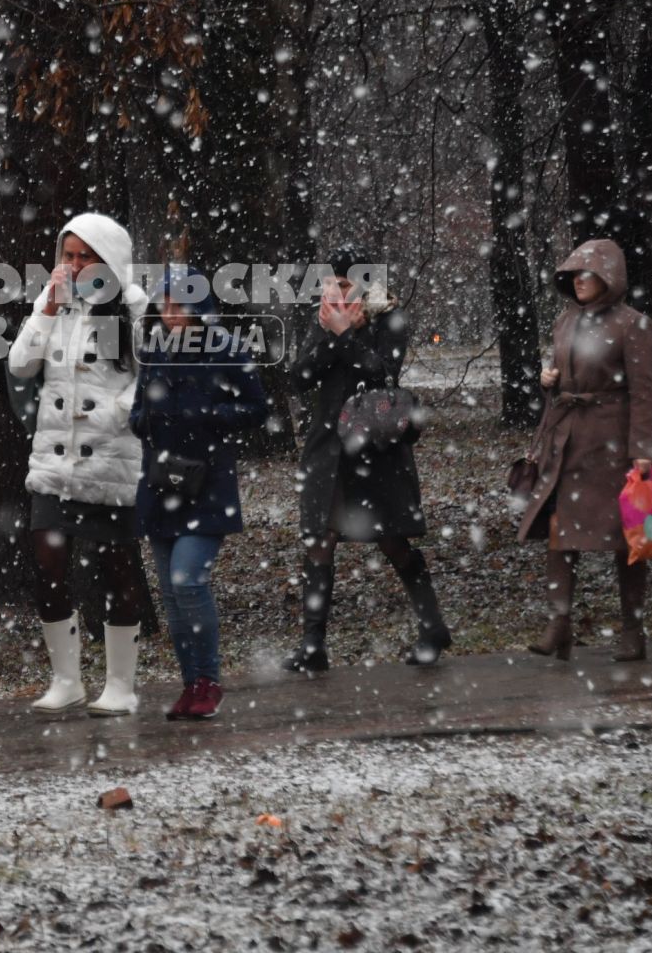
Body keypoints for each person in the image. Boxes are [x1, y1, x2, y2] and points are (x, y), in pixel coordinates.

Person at [286, 247, 454, 672]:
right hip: (327, 449)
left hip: (375, 449)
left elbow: (381, 375)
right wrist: (332, 334)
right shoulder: (321, 319)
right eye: (329, 284)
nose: (334, 292)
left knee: (392, 540)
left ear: (363, 285)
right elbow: (300, 377)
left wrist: (346, 335)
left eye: (343, 284)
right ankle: (312, 644)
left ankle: (432, 627)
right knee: (319, 539)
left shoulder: (387, 318)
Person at [8, 213, 149, 717]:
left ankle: (120, 685)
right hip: (53, 461)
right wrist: (46, 308)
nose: (72, 265)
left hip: (110, 459)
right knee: (46, 562)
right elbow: (20, 365)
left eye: (82, 256)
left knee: (117, 567)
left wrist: (113, 417)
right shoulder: (54, 305)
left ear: (107, 260)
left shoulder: (135, 309)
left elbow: (149, 378)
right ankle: (66, 679)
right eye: (67, 255)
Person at [130, 264, 269, 720]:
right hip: (162, 481)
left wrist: (205, 413)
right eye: (164, 303)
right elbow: (137, 411)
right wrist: (147, 419)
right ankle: (191, 683)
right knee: (171, 595)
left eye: (178, 302)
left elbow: (255, 407)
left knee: (188, 580)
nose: (170, 312)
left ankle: (208, 679)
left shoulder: (225, 350)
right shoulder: (154, 352)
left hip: (207, 483)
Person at [517, 239, 652, 663]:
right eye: (573, 274)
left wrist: (643, 451)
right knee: (560, 534)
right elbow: (564, 379)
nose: (578, 281)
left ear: (608, 278)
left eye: (587, 274)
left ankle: (633, 630)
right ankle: (559, 624)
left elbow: (645, 393)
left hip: (612, 445)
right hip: (568, 442)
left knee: (627, 538)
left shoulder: (633, 325)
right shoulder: (565, 321)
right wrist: (549, 380)